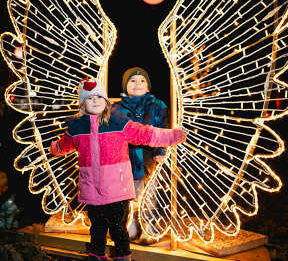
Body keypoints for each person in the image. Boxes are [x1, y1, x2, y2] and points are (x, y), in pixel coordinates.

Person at [50, 78, 186, 261]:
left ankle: (123, 256)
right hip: (91, 188)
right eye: (90, 98)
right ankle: (96, 255)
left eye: (99, 97)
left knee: (118, 228)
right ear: (83, 103)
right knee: (97, 227)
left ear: (106, 101)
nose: (95, 101)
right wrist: (56, 148)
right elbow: (65, 144)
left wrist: (171, 136)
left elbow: (144, 133)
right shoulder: (77, 126)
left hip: (117, 188)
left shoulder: (117, 121)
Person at [112, 67, 169, 244]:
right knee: (127, 193)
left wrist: (161, 150)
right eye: (132, 81)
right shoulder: (116, 108)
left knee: (148, 193)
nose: (137, 84)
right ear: (125, 86)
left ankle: (149, 226)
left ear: (148, 86)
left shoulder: (157, 106)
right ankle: (131, 225)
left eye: (142, 81)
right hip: (124, 155)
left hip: (148, 155)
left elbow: (163, 129)